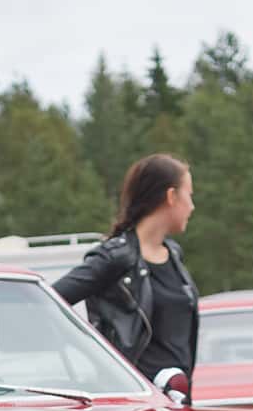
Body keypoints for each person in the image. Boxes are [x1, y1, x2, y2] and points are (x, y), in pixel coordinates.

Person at [53, 153, 199, 387]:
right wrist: (96, 355)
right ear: (171, 196)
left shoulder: (174, 254)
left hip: (178, 402)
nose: (192, 206)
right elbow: (49, 302)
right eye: (189, 196)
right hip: (136, 406)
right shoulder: (114, 258)